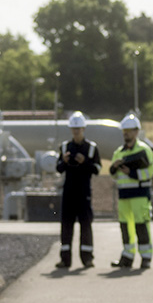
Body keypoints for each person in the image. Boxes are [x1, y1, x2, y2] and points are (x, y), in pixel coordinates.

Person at [55, 111, 102, 268]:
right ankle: (65, 259)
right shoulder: (64, 147)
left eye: (79, 128)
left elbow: (97, 169)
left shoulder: (91, 148)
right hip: (68, 192)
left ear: (83, 129)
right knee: (66, 224)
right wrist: (65, 161)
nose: (76, 131)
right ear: (71, 130)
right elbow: (58, 168)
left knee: (86, 223)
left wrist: (85, 162)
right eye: (74, 129)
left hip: (84, 192)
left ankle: (87, 258)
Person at [109, 113, 153, 269]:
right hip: (124, 197)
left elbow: (150, 172)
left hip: (140, 195)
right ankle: (127, 257)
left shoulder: (144, 150)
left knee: (141, 226)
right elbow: (113, 175)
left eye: (129, 130)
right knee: (125, 227)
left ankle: (146, 257)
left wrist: (132, 173)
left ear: (136, 131)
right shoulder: (118, 152)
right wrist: (114, 167)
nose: (126, 133)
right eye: (124, 130)